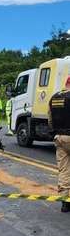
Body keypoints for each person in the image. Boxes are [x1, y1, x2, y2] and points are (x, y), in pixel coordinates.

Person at [49, 77, 70, 212]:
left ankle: (65, 203)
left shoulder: (54, 98)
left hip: (60, 138)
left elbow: (50, 120)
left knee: (64, 171)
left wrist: (55, 134)